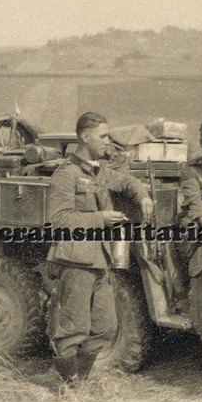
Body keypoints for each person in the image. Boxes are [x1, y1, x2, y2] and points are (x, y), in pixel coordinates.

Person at [46, 112, 154, 382]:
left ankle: (78, 380)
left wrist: (143, 196)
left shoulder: (99, 171)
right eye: (103, 136)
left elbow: (125, 181)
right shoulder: (66, 175)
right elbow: (59, 220)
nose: (108, 141)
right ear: (85, 136)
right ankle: (65, 390)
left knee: (106, 327)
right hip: (76, 260)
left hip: (101, 259)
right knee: (73, 328)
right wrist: (101, 219)